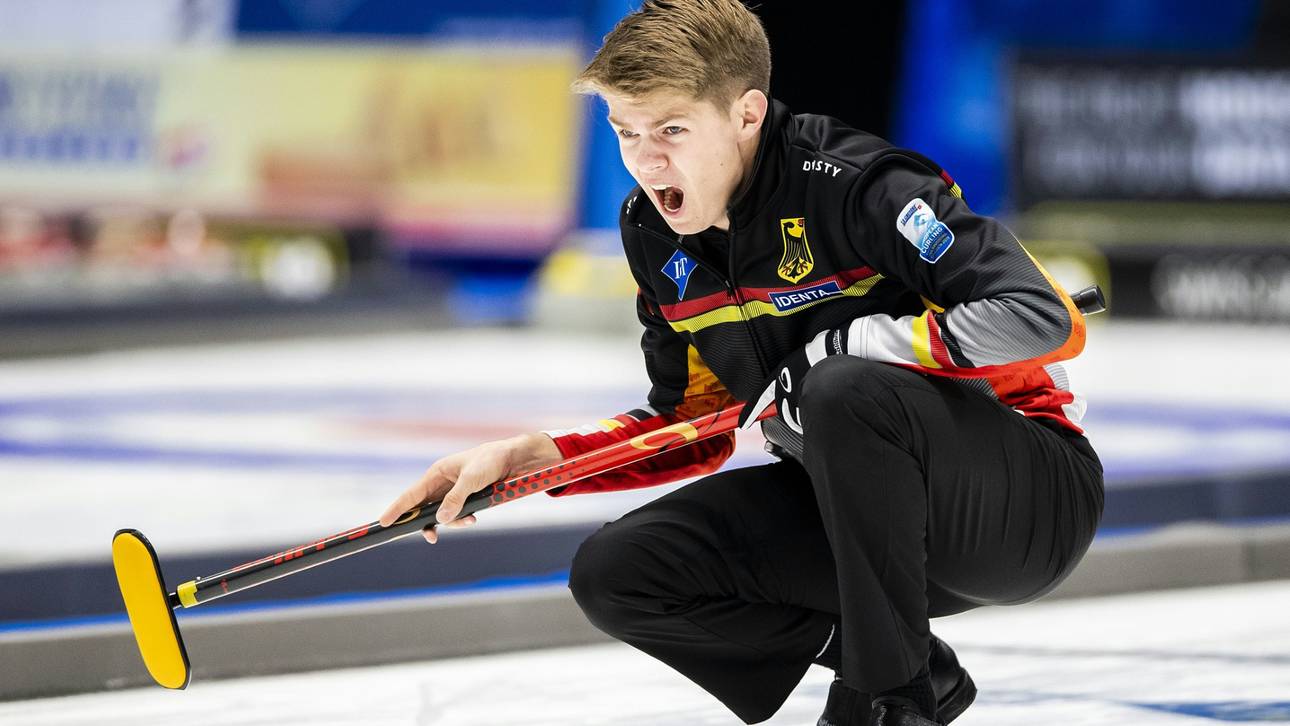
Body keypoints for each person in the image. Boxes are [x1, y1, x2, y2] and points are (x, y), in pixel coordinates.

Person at [379, 1, 1104, 724]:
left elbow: (1043, 317)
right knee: (621, 571)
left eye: (671, 130)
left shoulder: (858, 185)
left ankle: (890, 697)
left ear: (747, 115)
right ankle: (908, 667)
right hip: (865, 519)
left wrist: (846, 346)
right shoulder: (654, 235)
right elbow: (692, 423)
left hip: (1025, 505)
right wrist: (536, 460)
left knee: (842, 388)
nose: (646, 161)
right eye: (626, 132)